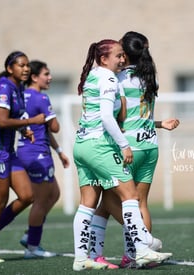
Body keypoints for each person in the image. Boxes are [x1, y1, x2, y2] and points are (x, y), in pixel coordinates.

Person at [72, 39, 172, 271]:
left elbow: (115, 115)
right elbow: (109, 117)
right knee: (130, 197)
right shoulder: (113, 77)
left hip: (82, 144)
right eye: (118, 55)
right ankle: (143, 247)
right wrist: (123, 145)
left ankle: (83, 257)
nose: (121, 59)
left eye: (122, 54)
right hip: (105, 145)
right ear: (104, 58)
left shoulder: (93, 75)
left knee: (89, 203)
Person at [0, 51, 46, 264]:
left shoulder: (18, 88)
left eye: (27, 65)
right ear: (9, 68)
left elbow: (15, 118)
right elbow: (3, 121)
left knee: (27, 195)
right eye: (21, 65)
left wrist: (25, 131)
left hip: (7, 150)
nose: (25, 69)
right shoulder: (5, 87)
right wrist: (31, 122)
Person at [12, 60, 70, 259]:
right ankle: (32, 246)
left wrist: (59, 150)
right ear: (35, 77)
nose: (50, 77)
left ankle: (30, 235)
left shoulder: (21, 97)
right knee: (40, 201)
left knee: (54, 193)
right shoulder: (41, 98)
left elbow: (43, 130)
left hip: (26, 151)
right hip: (37, 154)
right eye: (46, 74)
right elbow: (54, 127)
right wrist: (51, 112)